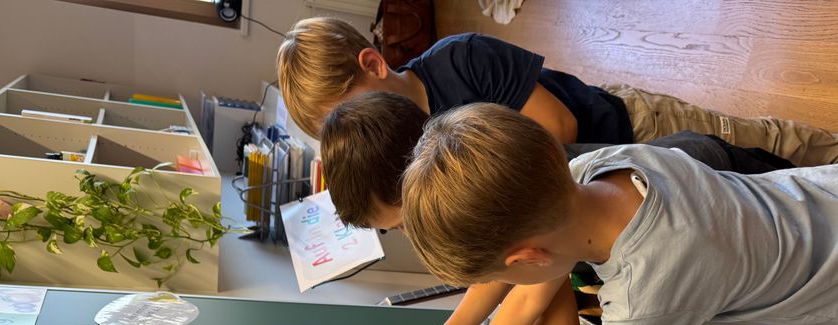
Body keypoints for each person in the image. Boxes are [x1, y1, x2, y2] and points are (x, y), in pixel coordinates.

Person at [395, 103, 838, 325]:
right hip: (816, 196)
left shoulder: (648, 292)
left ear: (527, 258)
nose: (514, 288)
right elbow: (531, 299)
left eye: (503, 278)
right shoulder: (598, 168)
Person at [319, 91, 795, 325]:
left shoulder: (532, 211)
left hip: (720, 180)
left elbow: (548, 315)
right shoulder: (509, 188)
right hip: (703, 208)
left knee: (797, 165)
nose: (415, 232)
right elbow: (516, 287)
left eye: (404, 223)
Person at [276, 17, 838, 165]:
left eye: (348, 114)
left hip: (625, 124)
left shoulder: (462, 58)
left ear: (373, 64)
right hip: (621, 176)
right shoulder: (409, 141)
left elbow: (560, 129)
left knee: (761, 141)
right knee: (748, 174)